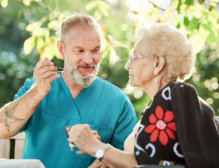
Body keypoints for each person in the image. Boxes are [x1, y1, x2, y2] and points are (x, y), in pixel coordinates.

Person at [67, 23, 219, 168]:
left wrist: (97, 148)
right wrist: (103, 156)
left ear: (157, 64)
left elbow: (149, 165)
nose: (127, 65)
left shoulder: (173, 95)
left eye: (134, 57)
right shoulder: (164, 106)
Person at [0, 13, 138, 168]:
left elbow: (131, 161)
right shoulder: (37, 86)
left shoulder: (117, 102)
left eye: (95, 50)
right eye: (79, 50)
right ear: (61, 50)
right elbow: (1, 129)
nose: (88, 60)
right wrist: (37, 92)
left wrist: (100, 152)